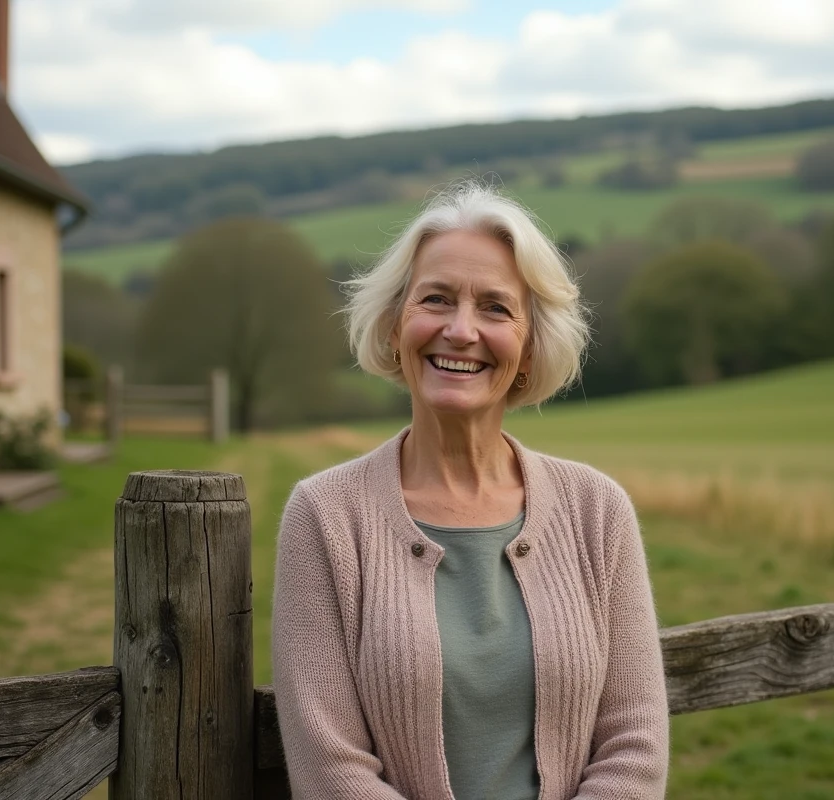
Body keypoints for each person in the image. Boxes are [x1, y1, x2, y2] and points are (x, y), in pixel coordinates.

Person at [271, 182, 669, 800]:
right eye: (436, 299)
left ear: (531, 347)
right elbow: (330, 770)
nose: (460, 330)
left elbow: (634, 747)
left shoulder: (598, 510)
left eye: (495, 308)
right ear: (395, 324)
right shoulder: (325, 516)